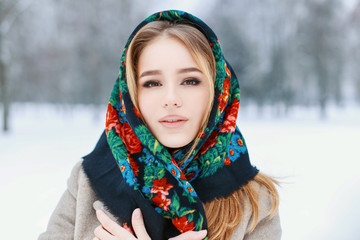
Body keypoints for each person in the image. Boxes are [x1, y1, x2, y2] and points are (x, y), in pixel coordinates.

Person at [39, 10, 281, 240]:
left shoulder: (257, 201)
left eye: (190, 80)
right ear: (131, 96)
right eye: (152, 83)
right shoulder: (86, 181)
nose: (171, 99)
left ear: (217, 91)